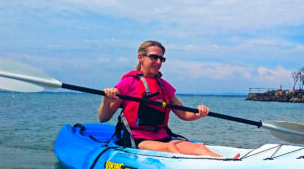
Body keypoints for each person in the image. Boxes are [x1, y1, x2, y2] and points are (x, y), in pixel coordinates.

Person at [98, 40, 238, 158]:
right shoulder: (128, 83)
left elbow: (184, 114)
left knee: (200, 148)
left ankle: (227, 162)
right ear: (140, 57)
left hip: (162, 136)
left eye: (161, 59)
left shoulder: (164, 86)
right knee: (171, 149)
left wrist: (199, 113)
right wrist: (106, 100)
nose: (158, 62)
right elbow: (103, 118)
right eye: (154, 57)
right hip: (139, 138)